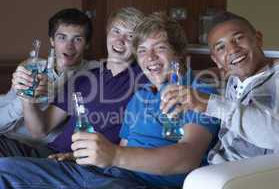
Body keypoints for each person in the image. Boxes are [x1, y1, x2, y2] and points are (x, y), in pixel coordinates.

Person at [0, 12, 218, 189]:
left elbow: (188, 156)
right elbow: (42, 129)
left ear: (178, 52)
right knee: (5, 169)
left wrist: (114, 156)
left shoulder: (196, 90)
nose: (149, 58)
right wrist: (26, 96)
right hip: (93, 169)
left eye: (159, 48)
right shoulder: (141, 95)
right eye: (143, 50)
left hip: (124, 179)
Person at [160, 11, 279, 165]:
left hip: (256, 172)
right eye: (221, 48)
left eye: (239, 39)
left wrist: (211, 104)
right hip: (219, 166)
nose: (232, 50)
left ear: (258, 39)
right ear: (216, 60)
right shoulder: (234, 80)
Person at [0, 8, 99, 146]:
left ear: (87, 44)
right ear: (52, 41)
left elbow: (40, 132)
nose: (69, 46)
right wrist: (24, 96)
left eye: (77, 39)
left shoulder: (92, 72)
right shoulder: (32, 67)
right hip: (6, 136)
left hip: (34, 149)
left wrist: (53, 91)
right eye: (62, 37)